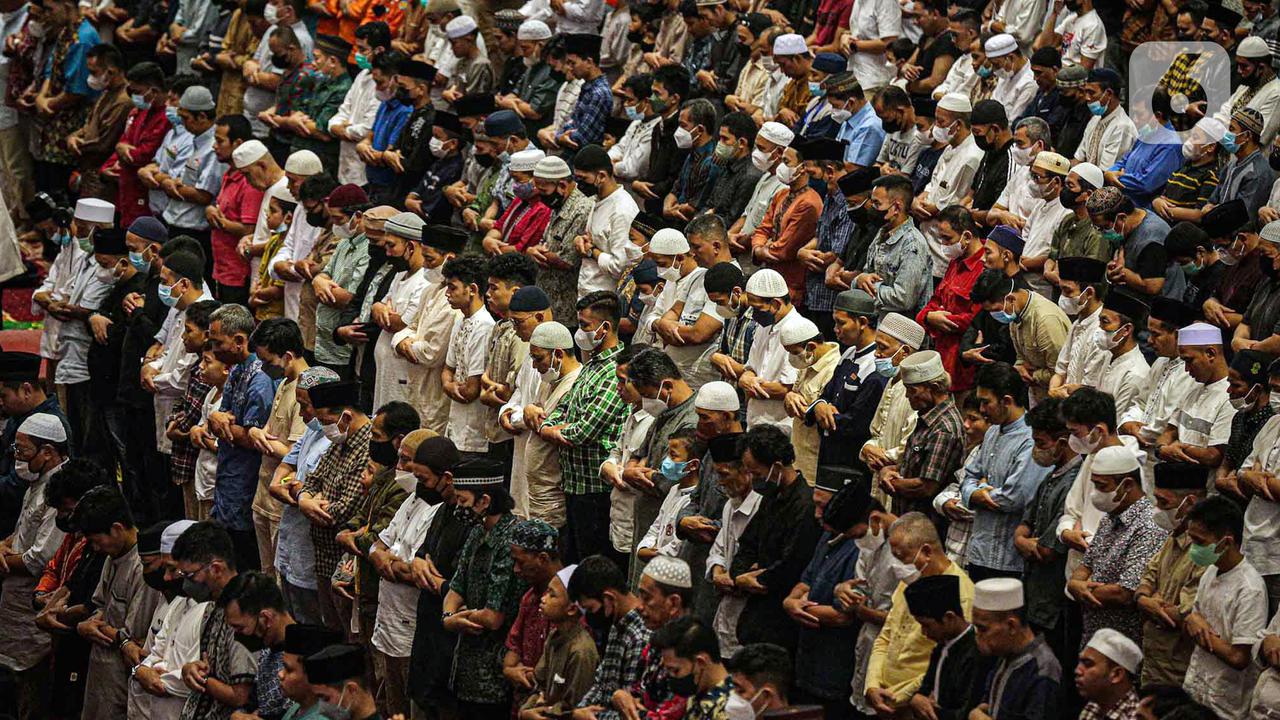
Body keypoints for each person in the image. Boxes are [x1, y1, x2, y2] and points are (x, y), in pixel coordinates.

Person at [539, 291, 630, 562]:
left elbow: (584, 431)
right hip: (574, 484)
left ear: (606, 327)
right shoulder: (590, 365)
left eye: (585, 326)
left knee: (593, 564)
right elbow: (562, 411)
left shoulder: (616, 370)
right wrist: (550, 427)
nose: (580, 333)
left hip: (596, 488)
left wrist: (551, 431)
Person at [863, 512, 974, 716]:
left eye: (901, 557)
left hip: (916, 705)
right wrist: (871, 685)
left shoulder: (962, 597)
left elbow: (948, 662)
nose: (897, 565)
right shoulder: (912, 582)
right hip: (884, 700)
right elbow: (886, 636)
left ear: (926, 552)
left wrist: (895, 698)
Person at [0, 413, 70, 720]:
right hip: (13, 604)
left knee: (33, 689)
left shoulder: (57, 490)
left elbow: (38, 559)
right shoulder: (38, 482)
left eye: (23, 451)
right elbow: (23, 532)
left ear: (48, 452)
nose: (18, 458)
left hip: (32, 609)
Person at [74, 486, 165, 720]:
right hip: (100, 674)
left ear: (116, 528)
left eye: (97, 540)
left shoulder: (143, 568)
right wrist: (90, 621)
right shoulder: (112, 556)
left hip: (123, 678)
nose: (95, 548)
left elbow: (133, 637)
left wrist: (91, 627)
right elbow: (100, 604)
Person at [1179, 495, 1270, 720]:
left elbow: (1240, 657)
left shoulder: (1250, 588)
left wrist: (1198, 627)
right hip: (1197, 689)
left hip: (1225, 704)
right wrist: (1192, 620)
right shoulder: (1211, 571)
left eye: (1200, 541)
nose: (1193, 547)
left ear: (1226, 542)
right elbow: (1193, 618)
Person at [732, 425, 822, 651]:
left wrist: (759, 579)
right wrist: (740, 575)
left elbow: (791, 564)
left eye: (757, 474)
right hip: (757, 615)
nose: (753, 480)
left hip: (783, 622)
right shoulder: (771, 497)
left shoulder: (805, 506)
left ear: (777, 467)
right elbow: (747, 545)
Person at [787, 478, 870, 718]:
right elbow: (807, 579)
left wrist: (796, 608)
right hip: (806, 662)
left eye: (824, 507)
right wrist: (791, 600)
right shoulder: (827, 536)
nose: (817, 514)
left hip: (835, 668)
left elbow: (843, 616)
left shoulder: (859, 548)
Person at [1069, 444, 1168, 645]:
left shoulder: (1149, 526)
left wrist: (1080, 588)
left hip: (1123, 641)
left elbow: (1125, 591)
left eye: (1102, 486)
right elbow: (1086, 565)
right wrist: (1075, 583)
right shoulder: (1109, 518)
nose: (1095, 493)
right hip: (1095, 632)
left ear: (1128, 485)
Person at [295, 379, 372, 630]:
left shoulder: (368, 449)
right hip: (324, 559)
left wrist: (308, 503)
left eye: (326, 422)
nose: (325, 429)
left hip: (346, 566)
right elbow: (312, 479)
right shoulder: (340, 443)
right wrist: (305, 500)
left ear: (346, 417)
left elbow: (345, 510)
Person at [206, 303, 276, 571]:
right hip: (228, 475)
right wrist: (217, 418)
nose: (213, 350)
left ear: (238, 341)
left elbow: (253, 437)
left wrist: (216, 422)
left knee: (244, 559)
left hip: (247, 481)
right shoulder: (235, 369)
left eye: (217, 342)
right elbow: (224, 416)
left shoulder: (260, 378)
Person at [169, 521, 256, 720]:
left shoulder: (242, 614)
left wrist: (203, 681)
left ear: (216, 569)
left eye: (190, 575)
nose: (185, 585)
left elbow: (240, 696)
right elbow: (211, 666)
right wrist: (190, 669)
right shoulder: (212, 607)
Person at [1134, 462, 1208, 688]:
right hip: (1152, 664)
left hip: (1179, 672)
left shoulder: (1205, 551)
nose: (1156, 508)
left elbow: (1186, 612)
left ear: (1190, 503)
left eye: (1163, 502)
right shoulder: (1172, 536)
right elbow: (1147, 578)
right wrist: (1145, 600)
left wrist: (1149, 604)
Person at [879, 350, 966, 518]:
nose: (907, 396)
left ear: (933, 388)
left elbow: (925, 486)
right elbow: (913, 465)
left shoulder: (943, 429)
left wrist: (890, 482)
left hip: (923, 521)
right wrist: (887, 470)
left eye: (912, 391)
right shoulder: (928, 417)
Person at [569, 555, 653, 717]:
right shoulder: (617, 624)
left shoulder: (639, 638)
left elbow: (631, 712)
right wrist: (579, 711)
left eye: (591, 609)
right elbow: (602, 683)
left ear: (608, 599)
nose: (588, 617)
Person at [969, 578, 1062, 720]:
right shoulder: (1005, 653)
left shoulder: (1043, 671)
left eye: (983, 629)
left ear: (1011, 626)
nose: (978, 637)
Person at [903, 573, 993, 720]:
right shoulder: (941, 646)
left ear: (949, 618)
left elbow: (966, 713)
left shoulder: (976, 655)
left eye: (926, 625)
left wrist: (933, 711)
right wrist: (917, 698)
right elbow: (925, 688)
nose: (923, 632)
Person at [517, 564, 599, 719]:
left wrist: (537, 713)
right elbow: (540, 685)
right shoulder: (554, 637)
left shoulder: (580, 652)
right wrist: (526, 711)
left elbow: (574, 709)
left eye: (552, 595)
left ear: (572, 609)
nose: (543, 599)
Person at [1049, 257, 1111, 398]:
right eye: (1061, 290)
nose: (1063, 297)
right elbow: (1060, 371)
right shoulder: (1077, 324)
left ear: (1089, 293)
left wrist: (1060, 393)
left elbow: (1090, 389)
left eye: (1068, 291)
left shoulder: (1101, 332)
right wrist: (1053, 390)